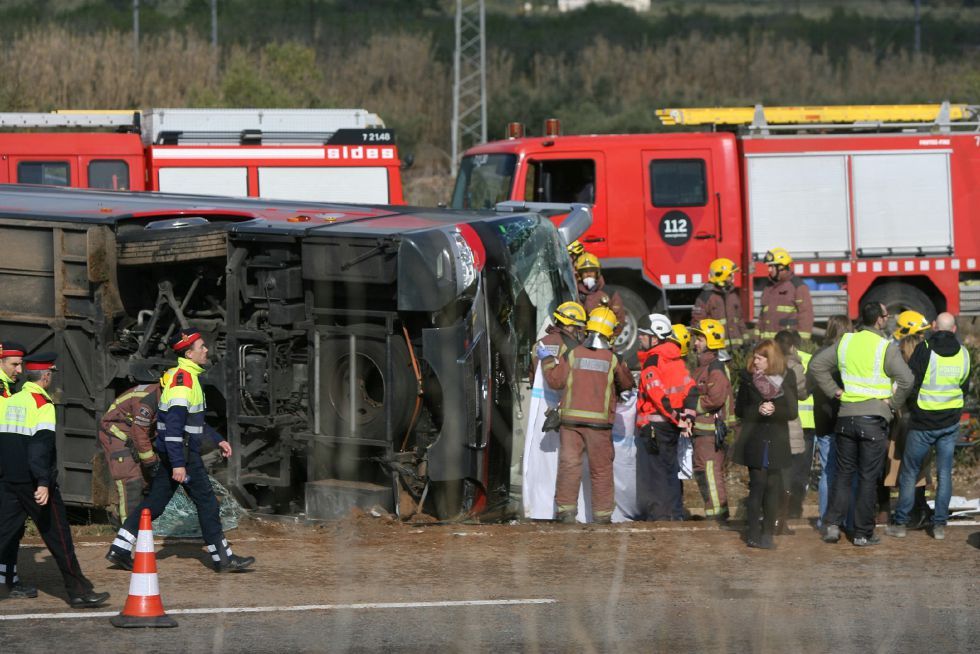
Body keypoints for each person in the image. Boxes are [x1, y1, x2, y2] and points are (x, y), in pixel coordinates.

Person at [107, 330, 255, 572]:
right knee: (208, 503)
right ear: (189, 354)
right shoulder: (183, 383)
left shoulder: (184, 377)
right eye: (201, 347)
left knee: (155, 503)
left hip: (175, 453)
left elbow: (192, 421)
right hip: (184, 455)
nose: (206, 350)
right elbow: (174, 429)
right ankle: (223, 559)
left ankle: (120, 548)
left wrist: (217, 440)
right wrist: (178, 464)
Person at [0, 352, 110, 607]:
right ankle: (79, 592)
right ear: (46, 376)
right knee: (59, 537)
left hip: (8, 481)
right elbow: (40, 448)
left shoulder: (10, 401)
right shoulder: (42, 405)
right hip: (34, 484)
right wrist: (43, 482)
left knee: (3, 534)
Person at [810, 302, 914, 546]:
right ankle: (861, 533)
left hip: (846, 417)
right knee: (867, 478)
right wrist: (892, 404)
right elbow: (907, 380)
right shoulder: (885, 347)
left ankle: (833, 525)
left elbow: (816, 366)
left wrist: (835, 391)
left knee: (843, 474)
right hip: (873, 420)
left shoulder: (846, 341)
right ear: (879, 319)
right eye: (886, 315)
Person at [539, 307, 633, 523]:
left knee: (569, 466)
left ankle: (565, 513)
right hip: (599, 426)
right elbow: (627, 384)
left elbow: (555, 381)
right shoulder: (613, 359)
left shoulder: (573, 354)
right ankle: (602, 517)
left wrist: (547, 360)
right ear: (609, 332)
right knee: (601, 470)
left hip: (570, 424)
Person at [887, 312, 971, 541]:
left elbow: (911, 383)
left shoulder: (924, 349)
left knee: (909, 472)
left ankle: (900, 523)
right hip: (949, 423)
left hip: (922, 423)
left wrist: (915, 408)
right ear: (954, 329)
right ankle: (939, 525)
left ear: (934, 326)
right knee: (944, 474)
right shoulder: (964, 353)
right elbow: (964, 388)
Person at [523, 301, 586, 520]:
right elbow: (569, 380)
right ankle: (562, 507)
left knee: (539, 459)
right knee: (565, 460)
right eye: (577, 326)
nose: (579, 331)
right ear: (569, 324)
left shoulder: (539, 343)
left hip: (539, 407)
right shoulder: (572, 347)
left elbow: (532, 375)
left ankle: (537, 507)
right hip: (564, 407)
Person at [733, 340, 798, 549]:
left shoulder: (787, 378)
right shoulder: (748, 379)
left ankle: (767, 533)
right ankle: (753, 533)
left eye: (760, 358)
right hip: (755, 438)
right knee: (758, 485)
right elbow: (740, 409)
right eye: (755, 357)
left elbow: (792, 411)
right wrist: (758, 409)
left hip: (777, 439)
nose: (755, 361)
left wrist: (775, 411)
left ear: (771, 359)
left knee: (773, 487)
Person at [635, 313, 696, 521]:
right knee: (671, 470)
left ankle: (660, 516)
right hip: (670, 428)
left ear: (655, 337)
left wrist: (677, 418)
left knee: (656, 473)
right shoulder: (676, 359)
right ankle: (675, 514)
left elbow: (657, 396)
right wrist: (687, 418)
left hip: (655, 427)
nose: (640, 337)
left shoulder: (652, 361)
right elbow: (690, 390)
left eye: (644, 334)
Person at [878, 314, 930, 526]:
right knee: (918, 470)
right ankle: (919, 510)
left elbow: (897, 397)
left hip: (904, 426)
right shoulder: (926, 369)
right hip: (923, 426)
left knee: (906, 470)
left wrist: (890, 402)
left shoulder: (904, 374)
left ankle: (907, 513)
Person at [98, 375, 169, 525]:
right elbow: (140, 433)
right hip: (117, 432)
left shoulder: (165, 396)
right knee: (130, 480)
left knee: (145, 479)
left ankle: (123, 517)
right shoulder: (146, 401)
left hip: (137, 433)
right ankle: (128, 529)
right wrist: (151, 462)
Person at [807, 315, 851, 529]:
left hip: (823, 417)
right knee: (848, 470)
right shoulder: (849, 354)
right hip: (847, 416)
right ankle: (846, 518)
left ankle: (825, 518)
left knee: (827, 470)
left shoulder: (819, 354)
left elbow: (806, 387)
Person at [689, 319, 733, 521]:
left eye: (700, 339)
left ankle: (718, 515)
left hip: (709, 430)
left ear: (711, 341)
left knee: (710, 473)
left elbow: (715, 399)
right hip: (702, 430)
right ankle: (713, 512)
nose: (695, 343)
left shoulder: (715, 368)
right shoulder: (704, 367)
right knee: (703, 472)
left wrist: (691, 405)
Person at [0, 341, 30, 597]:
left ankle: (8, 577)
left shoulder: (9, 389)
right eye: (14, 364)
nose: (19, 370)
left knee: (10, 527)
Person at [773, 330, 811, 534]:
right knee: (787, 475)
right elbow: (803, 394)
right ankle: (781, 520)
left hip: (770, 425)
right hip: (790, 426)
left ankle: (769, 516)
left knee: (772, 474)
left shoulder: (769, 364)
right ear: (793, 346)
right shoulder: (795, 367)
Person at [756, 248, 814, 341]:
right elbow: (762, 316)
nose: (769, 269)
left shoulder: (797, 286)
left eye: (771, 266)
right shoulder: (768, 287)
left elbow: (806, 315)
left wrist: (802, 342)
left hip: (786, 344)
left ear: (781, 267)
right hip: (768, 344)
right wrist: (757, 339)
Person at [691, 257, 747, 349]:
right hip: (716, 349)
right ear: (721, 276)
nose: (732, 278)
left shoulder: (733, 294)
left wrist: (746, 341)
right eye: (730, 275)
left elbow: (740, 320)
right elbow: (697, 323)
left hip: (736, 350)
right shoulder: (706, 296)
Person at [574, 253, 625, 336]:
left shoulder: (610, 293)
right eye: (585, 272)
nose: (588, 274)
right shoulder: (575, 294)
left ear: (597, 273)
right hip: (582, 340)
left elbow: (619, 320)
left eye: (591, 271)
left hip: (603, 338)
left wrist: (610, 338)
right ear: (580, 275)